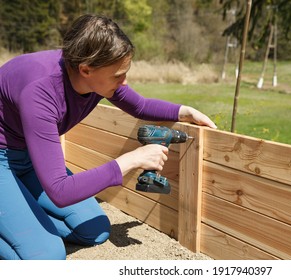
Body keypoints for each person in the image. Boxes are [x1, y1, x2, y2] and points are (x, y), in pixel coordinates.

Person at [0, 14, 217, 260]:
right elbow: (60, 191)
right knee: (47, 255)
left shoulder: (93, 79)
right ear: (86, 69)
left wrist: (184, 111)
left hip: (28, 156)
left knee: (95, 230)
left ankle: (22, 221)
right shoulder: (41, 92)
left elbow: (141, 105)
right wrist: (132, 160)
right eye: (118, 76)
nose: (124, 82)